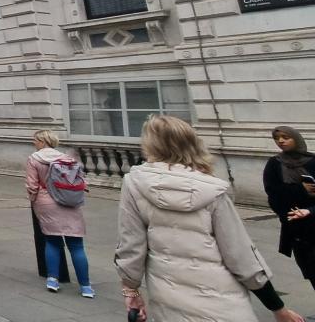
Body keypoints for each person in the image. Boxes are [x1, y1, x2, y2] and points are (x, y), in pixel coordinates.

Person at [116, 115, 306, 322]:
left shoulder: (135, 183)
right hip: (223, 303)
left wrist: (131, 291)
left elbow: (131, 246)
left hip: (169, 302)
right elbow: (241, 256)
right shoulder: (212, 189)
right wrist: (278, 308)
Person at [25, 129, 92, 297]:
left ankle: (53, 280)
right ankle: (86, 287)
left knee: (52, 241)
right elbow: (81, 181)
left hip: (46, 201)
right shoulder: (67, 158)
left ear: (42, 141)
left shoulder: (34, 159)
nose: (34, 143)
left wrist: (34, 200)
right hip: (70, 201)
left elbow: (32, 185)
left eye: (35, 140)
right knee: (76, 245)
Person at [262, 126, 315, 290]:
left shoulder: (312, 161)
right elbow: (273, 195)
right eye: (277, 138)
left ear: (296, 139)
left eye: (286, 137)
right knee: (311, 270)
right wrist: (301, 190)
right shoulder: (274, 164)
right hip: (296, 226)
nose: (281, 141)